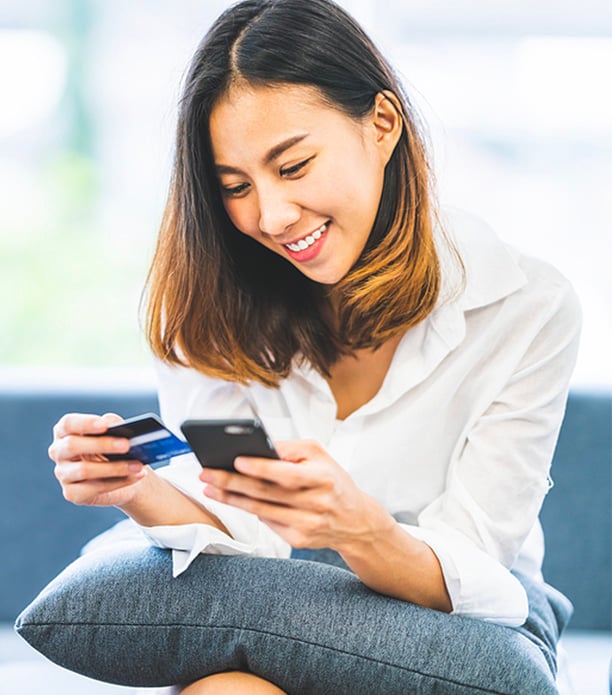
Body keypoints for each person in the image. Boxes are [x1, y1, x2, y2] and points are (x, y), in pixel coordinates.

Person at [47, 1, 581, 693]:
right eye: (235, 186)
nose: (269, 216)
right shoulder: (209, 304)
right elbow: (245, 531)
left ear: (382, 125)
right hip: (272, 577)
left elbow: (475, 565)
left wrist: (360, 531)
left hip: (456, 605)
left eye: (293, 166)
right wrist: (138, 488)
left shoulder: (526, 306)